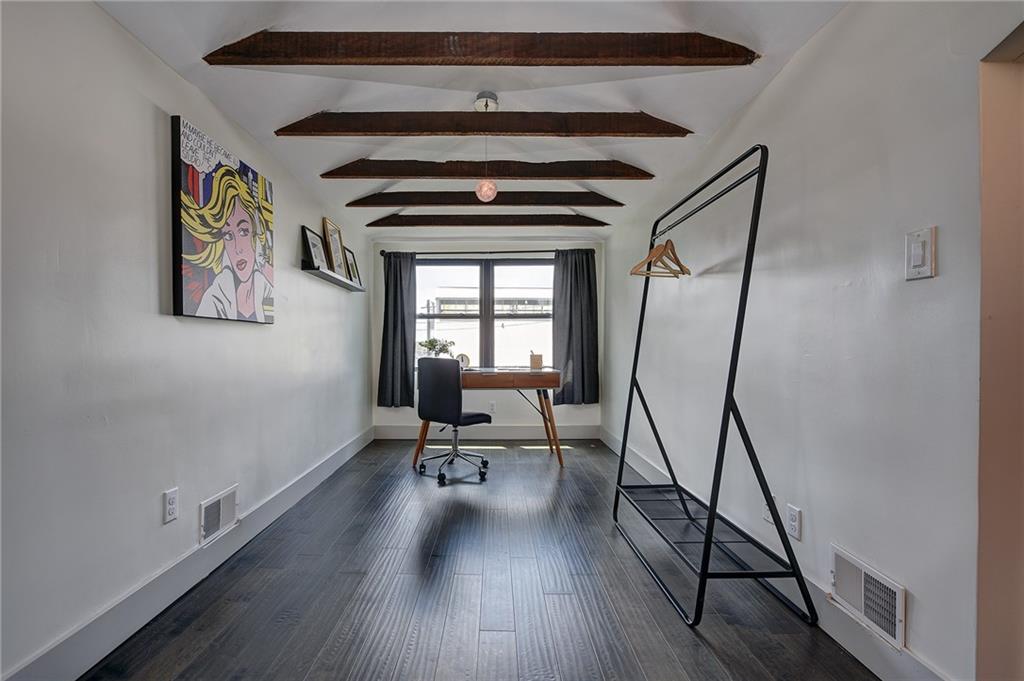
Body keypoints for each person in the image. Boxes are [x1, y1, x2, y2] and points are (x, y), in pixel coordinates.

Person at [180, 166, 273, 321]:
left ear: (255, 233)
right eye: (228, 236)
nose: (237, 250)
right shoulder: (213, 299)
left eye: (243, 231)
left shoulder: (266, 290)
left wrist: (263, 264)